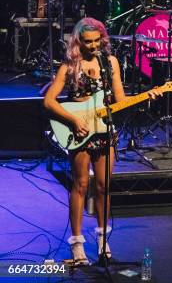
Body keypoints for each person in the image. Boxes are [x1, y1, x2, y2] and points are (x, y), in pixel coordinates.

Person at [43, 17, 160, 264]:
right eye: (88, 42)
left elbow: (119, 100)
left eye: (97, 40)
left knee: (104, 186)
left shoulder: (110, 63)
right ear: (78, 41)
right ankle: (76, 244)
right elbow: (49, 101)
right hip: (81, 130)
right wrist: (74, 121)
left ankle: (103, 239)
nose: (93, 45)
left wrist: (145, 96)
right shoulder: (69, 66)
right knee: (81, 185)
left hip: (105, 130)